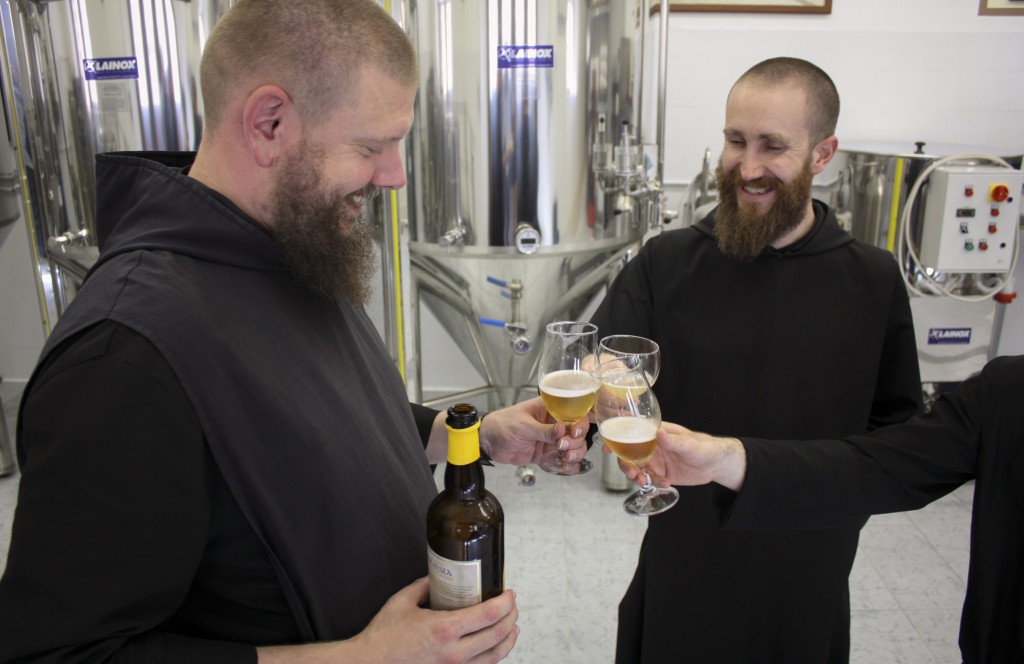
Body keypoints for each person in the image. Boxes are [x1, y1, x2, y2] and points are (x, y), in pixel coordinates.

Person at [0, 1, 588, 662]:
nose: (394, 175)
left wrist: (472, 437)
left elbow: (310, 424)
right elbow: (59, 655)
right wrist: (363, 657)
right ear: (269, 123)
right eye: (372, 146)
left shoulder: (284, 243)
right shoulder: (124, 360)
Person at [589, 57, 923, 663]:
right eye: (735, 140)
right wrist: (611, 393)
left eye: (774, 146)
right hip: (686, 563)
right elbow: (604, 358)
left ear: (823, 156)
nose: (747, 167)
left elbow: (897, 438)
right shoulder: (667, 263)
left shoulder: (872, 281)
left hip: (807, 574)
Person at [630, 354, 1024, 664]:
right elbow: (879, 466)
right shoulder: (1008, 391)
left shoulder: (874, 276)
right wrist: (724, 459)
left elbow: (890, 418)